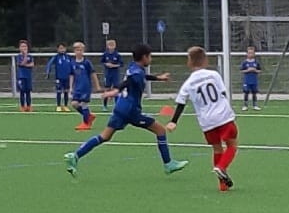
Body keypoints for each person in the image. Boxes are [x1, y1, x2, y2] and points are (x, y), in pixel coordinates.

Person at [65, 44, 188, 178]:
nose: (151, 59)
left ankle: (75, 156)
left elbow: (141, 77)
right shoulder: (136, 73)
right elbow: (128, 82)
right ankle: (168, 164)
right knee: (160, 130)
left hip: (120, 108)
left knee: (104, 136)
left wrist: (159, 78)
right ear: (144, 57)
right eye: (150, 56)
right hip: (131, 111)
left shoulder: (134, 67)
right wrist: (115, 90)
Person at [168, 46, 239, 192]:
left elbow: (181, 102)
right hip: (223, 116)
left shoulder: (188, 83)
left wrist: (173, 121)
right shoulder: (214, 75)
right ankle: (221, 167)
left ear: (189, 63)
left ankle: (222, 185)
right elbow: (223, 93)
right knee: (232, 145)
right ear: (205, 60)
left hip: (207, 122)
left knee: (217, 148)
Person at [68, 41, 101, 132]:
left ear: (83, 51)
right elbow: (71, 75)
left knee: (83, 104)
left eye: (81, 50)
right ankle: (88, 116)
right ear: (74, 51)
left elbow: (93, 74)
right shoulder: (72, 63)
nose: (79, 52)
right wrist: (71, 87)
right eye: (77, 50)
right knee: (74, 104)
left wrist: (97, 85)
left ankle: (86, 123)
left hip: (85, 87)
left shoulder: (86, 62)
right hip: (77, 87)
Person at [47, 43, 72, 112]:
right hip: (59, 78)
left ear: (65, 49)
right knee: (59, 91)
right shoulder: (56, 57)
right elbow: (49, 64)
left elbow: (72, 65)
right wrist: (48, 72)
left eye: (63, 48)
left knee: (66, 92)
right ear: (57, 49)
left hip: (67, 78)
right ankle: (58, 106)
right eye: (60, 48)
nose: (62, 50)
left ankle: (65, 106)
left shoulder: (68, 57)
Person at [14, 40, 35, 111]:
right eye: (22, 46)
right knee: (22, 91)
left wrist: (26, 65)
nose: (24, 48)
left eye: (25, 46)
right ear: (19, 48)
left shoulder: (30, 56)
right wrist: (25, 56)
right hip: (21, 76)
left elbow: (32, 64)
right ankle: (22, 106)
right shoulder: (19, 56)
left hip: (28, 76)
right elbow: (21, 63)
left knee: (28, 91)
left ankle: (28, 106)